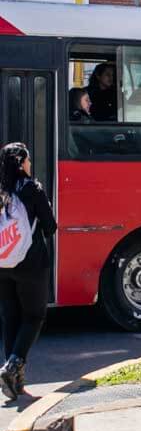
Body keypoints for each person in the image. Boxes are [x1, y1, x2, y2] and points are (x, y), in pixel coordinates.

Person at [0, 143, 57, 400]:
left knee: (10, 317)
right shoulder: (32, 189)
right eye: (28, 161)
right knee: (34, 316)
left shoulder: (2, 190)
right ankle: (13, 365)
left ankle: (15, 381)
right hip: (32, 264)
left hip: (3, 264)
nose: (30, 165)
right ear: (22, 162)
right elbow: (50, 226)